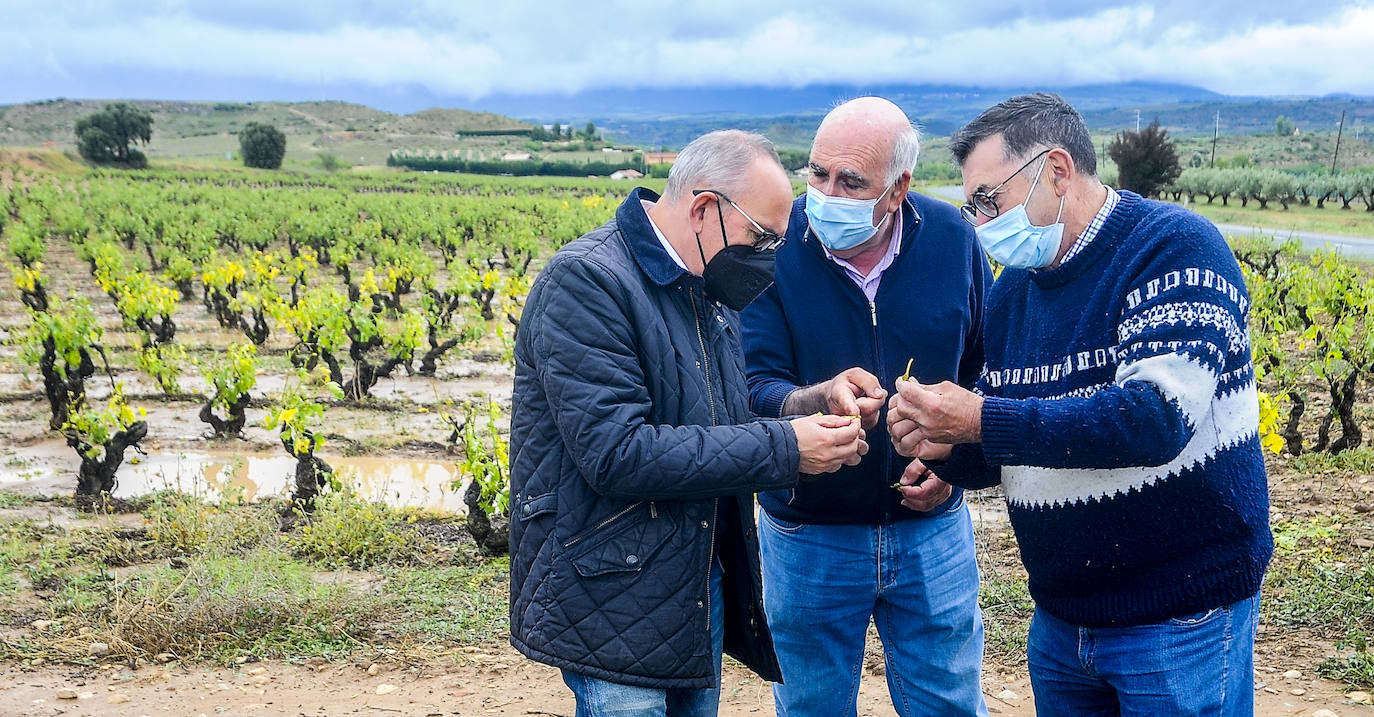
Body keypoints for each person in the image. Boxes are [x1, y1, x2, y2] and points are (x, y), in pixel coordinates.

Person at [887, 92, 1273, 716]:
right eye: (972, 207)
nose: (982, 224)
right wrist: (946, 450)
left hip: (1180, 614)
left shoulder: (1172, 250)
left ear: (1058, 171)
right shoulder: (1014, 293)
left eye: (990, 199)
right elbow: (1022, 438)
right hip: (1064, 618)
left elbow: (1154, 418)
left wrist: (979, 419)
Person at [508, 129, 869, 717]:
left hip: (692, 582)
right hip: (612, 588)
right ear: (704, 209)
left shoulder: (706, 288)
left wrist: (809, 406)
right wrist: (786, 449)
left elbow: (721, 417)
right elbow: (617, 453)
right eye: (760, 237)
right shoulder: (587, 283)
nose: (766, 258)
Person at [741, 97, 991, 717]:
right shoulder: (774, 244)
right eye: (818, 173)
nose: (827, 193)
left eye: (851, 181)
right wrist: (812, 401)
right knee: (811, 706)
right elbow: (749, 385)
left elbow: (987, 370)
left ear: (898, 188)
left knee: (949, 705)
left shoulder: (953, 240)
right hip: (808, 533)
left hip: (932, 532)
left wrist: (953, 459)